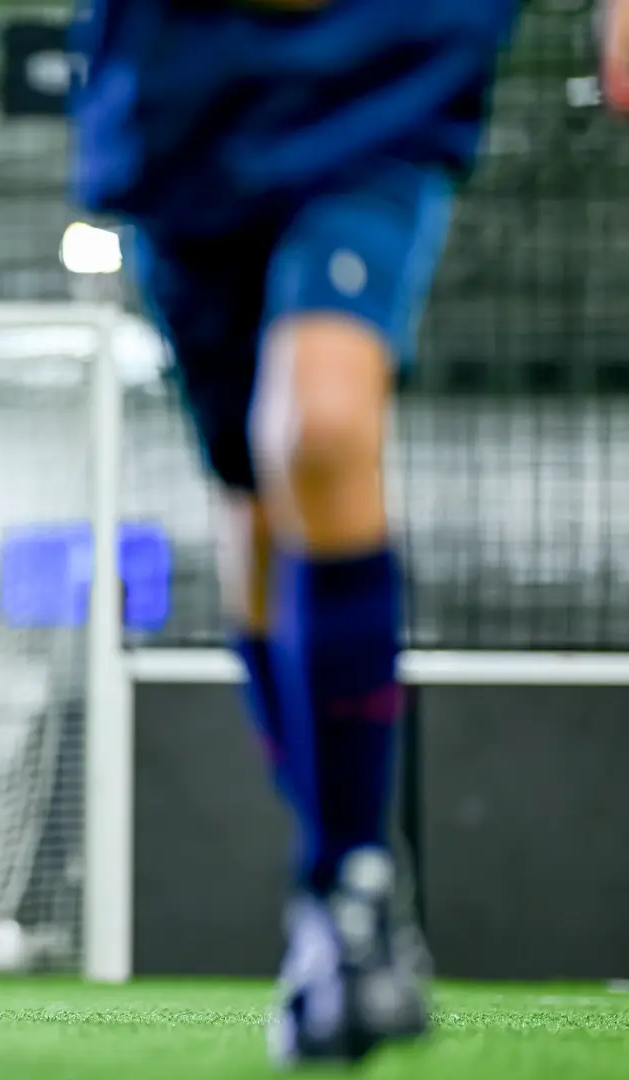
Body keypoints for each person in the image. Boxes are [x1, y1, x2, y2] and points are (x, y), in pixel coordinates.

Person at [73, 0, 629, 1065]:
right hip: (188, 87)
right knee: (254, 507)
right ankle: (334, 886)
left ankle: (354, 889)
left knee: (320, 434)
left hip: (385, 61)